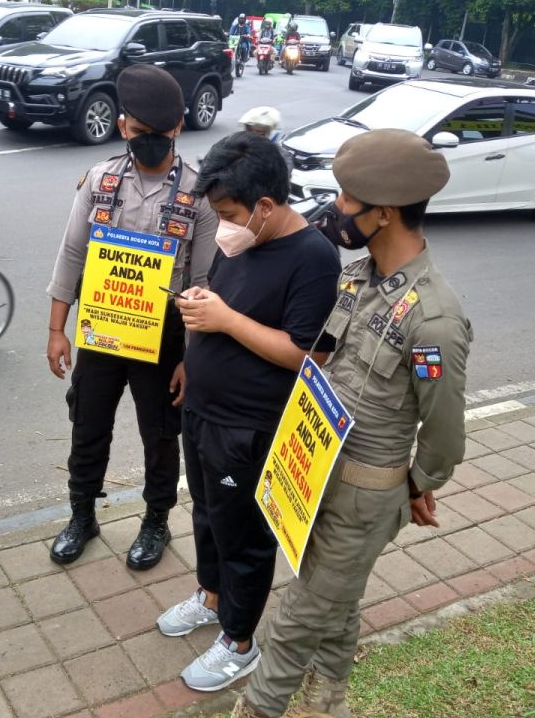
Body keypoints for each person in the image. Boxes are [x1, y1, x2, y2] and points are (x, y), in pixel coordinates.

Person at [230, 128, 473, 718]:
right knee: (333, 600)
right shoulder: (355, 278)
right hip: (317, 472)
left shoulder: (434, 321)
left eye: (346, 200)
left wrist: (414, 486)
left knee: (295, 620)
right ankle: (329, 698)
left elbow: (444, 432)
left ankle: (256, 709)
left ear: (384, 214)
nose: (335, 209)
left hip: (367, 493)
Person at [156, 132, 340, 693]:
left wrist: (226, 322)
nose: (223, 226)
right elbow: (222, 297)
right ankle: (210, 598)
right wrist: (193, 356)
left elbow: (308, 352)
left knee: (244, 535)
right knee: (208, 516)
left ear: (265, 205)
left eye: (230, 213)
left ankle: (240, 640)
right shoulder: (241, 241)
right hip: (204, 409)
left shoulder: (314, 257)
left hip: (250, 425)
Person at [46, 65, 218, 571]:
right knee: (88, 425)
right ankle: (81, 515)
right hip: (101, 327)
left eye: (160, 135)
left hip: (164, 336)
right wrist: (57, 329)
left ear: (178, 129)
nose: (149, 143)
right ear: (123, 127)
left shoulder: (198, 193)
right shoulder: (100, 181)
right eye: (140, 134)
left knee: (161, 435)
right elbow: (72, 254)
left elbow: (203, 283)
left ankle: (156, 522)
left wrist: (191, 357)